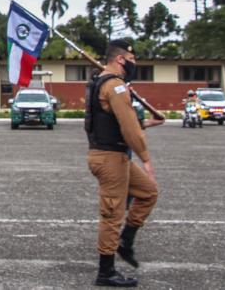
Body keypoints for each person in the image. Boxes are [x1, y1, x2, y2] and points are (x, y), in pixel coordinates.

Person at [85, 39, 158, 287]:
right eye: (132, 59)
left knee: (148, 192)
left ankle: (126, 240)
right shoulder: (114, 86)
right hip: (109, 158)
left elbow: (120, 123)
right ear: (120, 59)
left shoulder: (102, 82)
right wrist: (146, 159)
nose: (134, 64)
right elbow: (128, 128)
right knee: (112, 213)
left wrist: (147, 123)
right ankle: (106, 271)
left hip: (114, 155)